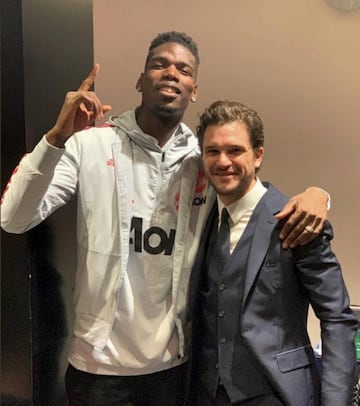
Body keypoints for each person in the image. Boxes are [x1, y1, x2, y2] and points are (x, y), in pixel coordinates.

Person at [1, 32, 330, 406]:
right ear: (141, 80)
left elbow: (249, 190)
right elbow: (13, 218)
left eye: (183, 69)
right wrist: (55, 139)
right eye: (159, 64)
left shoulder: (200, 158)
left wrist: (319, 196)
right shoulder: (89, 144)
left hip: (174, 369)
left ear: (194, 89)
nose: (171, 72)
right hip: (98, 369)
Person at [187, 99, 358, 406]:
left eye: (235, 150)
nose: (223, 161)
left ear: (258, 156)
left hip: (278, 394)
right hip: (205, 393)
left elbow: (337, 319)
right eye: (213, 151)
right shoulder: (201, 220)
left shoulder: (296, 220)